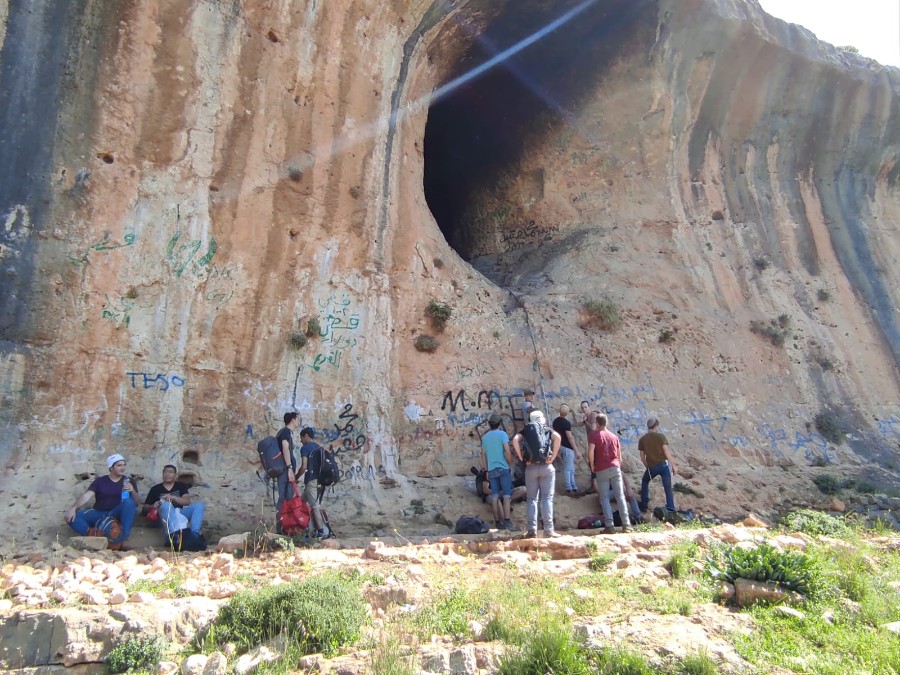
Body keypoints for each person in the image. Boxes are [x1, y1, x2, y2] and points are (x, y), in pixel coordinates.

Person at [64, 453, 138, 548]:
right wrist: (73, 508)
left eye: (124, 465)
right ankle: (95, 538)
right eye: (119, 465)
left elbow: (137, 503)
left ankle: (123, 540)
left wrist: (133, 491)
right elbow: (86, 496)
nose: (123, 468)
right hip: (99, 513)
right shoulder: (100, 481)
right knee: (74, 517)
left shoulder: (129, 481)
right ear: (111, 468)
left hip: (116, 513)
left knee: (128, 503)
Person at [512, 410, 561, 538]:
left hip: (531, 468)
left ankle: (532, 529)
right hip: (547, 467)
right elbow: (558, 437)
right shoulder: (547, 429)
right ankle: (548, 529)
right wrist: (553, 456)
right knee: (547, 499)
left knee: (532, 499)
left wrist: (521, 457)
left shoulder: (526, 430)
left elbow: (515, 440)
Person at [587, 413, 632, 533]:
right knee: (620, 496)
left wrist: (592, 465)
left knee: (604, 498)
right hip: (615, 467)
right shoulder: (614, 436)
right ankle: (626, 524)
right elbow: (619, 456)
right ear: (606, 423)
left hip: (602, 468)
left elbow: (591, 451)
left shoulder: (594, 435)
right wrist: (618, 466)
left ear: (597, 423)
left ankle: (609, 525)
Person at [143, 465, 205, 540]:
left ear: (175, 475)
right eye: (165, 472)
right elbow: (144, 508)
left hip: (179, 512)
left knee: (199, 505)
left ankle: (195, 535)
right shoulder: (155, 489)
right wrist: (153, 506)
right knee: (166, 505)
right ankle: (173, 536)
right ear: (162, 474)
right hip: (163, 515)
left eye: (171, 472)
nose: (168, 474)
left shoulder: (181, 486)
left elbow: (187, 502)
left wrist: (173, 497)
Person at [481, 413, 515, 530]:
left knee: (495, 495)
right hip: (503, 468)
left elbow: (483, 454)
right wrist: (510, 462)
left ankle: (497, 522)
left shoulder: (485, 438)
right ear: (499, 424)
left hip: (491, 469)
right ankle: (507, 521)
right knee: (506, 496)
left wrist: (486, 469)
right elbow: (507, 451)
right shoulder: (502, 434)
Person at [638, 417, 678, 515]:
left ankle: (644, 504)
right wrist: (673, 465)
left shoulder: (642, 439)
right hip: (664, 465)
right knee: (667, 487)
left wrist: (647, 466)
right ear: (656, 426)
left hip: (652, 466)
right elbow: (666, 452)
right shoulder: (661, 437)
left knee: (645, 481)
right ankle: (670, 507)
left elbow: (642, 456)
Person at [298, 427, 331, 538]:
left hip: (311, 481)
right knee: (301, 502)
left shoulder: (305, 448)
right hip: (319, 481)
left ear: (306, 436)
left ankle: (321, 531)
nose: (300, 440)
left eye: (301, 438)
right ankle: (306, 527)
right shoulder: (318, 447)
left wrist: (296, 476)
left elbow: (303, 467)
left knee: (315, 506)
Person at [274, 412, 301, 531]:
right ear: (293, 419)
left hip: (285, 470)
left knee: (286, 498)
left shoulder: (284, 432)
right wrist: (290, 467)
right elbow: (285, 449)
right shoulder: (285, 432)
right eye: (297, 419)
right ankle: (283, 528)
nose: (298, 421)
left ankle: (284, 527)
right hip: (285, 470)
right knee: (286, 498)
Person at [552, 404, 579, 494]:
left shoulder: (555, 422)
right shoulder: (566, 423)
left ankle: (573, 486)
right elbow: (570, 437)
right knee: (569, 468)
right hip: (567, 447)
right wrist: (576, 450)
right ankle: (569, 487)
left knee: (571, 467)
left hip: (559, 445)